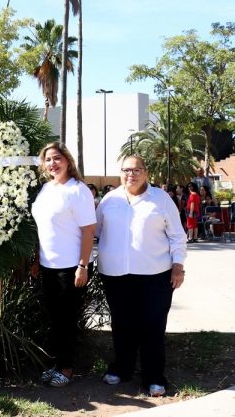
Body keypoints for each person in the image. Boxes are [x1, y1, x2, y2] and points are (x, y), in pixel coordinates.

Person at [96, 155, 186, 397]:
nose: (131, 175)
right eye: (126, 170)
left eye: (137, 170)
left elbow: (177, 235)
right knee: (122, 324)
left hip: (155, 275)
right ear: (120, 173)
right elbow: (96, 231)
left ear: (146, 172)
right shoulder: (109, 200)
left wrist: (178, 266)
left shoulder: (161, 199)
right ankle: (121, 368)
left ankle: (154, 377)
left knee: (153, 326)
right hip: (115, 274)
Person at [30, 142, 96, 388]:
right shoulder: (46, 189)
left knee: (67, 321)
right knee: (54, 320)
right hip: (48, 265)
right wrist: (37, 259)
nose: (52, 163)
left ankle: (67, 369)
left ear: (68, 160)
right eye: (48, 159)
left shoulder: (78, 190)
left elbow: (89, 231)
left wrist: (83, 266)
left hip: (71, 268)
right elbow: (43, 228)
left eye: (57, 158)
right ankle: (57, 365)